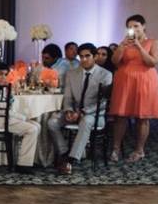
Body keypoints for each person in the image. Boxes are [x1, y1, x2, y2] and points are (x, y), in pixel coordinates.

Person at [45, 43, 113, 174]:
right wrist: (69, 110)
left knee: (86, 121)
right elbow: (68, 97)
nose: (84, 59)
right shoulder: (72, 74)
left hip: (94, 114)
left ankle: (71, 160)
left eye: (87, 56)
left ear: (95, 57)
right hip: (74, 112)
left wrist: (82, 112)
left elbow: (103, 102)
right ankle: (64, 152)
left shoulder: (106, 75)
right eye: (81, 57)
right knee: (51, 122)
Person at [109, 14, 158, 163]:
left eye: (136, 26)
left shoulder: (153, 42)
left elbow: (152, 62)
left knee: (142, 117)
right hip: (125, 82)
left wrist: (139, 46)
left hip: (145, 82)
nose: (133, 29)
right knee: (120, 116)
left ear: (143, 26)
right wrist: (122, 46)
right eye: (130, 27)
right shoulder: (124, 43)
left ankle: (139, 150)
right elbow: (114, 61)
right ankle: (115, 149)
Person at [0, 62, 39, 173]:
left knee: (37, 125)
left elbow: (8, 107)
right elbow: (2, 109)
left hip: (4, 118)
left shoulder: (1, 87)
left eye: (6, 74)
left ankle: (27, 161)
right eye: (0, 74)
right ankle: (23, 165)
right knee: (32, 129)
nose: (4, 77)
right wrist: (22, 118)